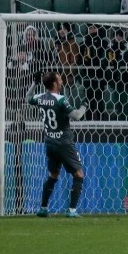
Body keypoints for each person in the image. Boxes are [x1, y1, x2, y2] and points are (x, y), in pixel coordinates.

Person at [28, 72, 87, 218]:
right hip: (64, 143)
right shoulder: (60, 100)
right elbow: (76, 116)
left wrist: (34, 84)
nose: (62, 82)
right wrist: (84, 106)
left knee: (53, 174)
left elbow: (28, 98)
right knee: (78, 174)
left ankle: (43, 208)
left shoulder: (39, 98)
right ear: (54, 84)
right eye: (60, 80)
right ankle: (72, 210)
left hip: (50, 142)